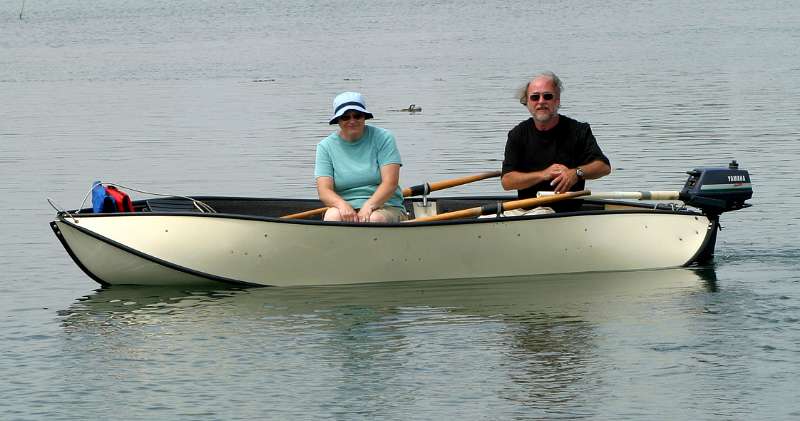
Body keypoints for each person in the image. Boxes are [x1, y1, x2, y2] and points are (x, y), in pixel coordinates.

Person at [501, 71, 611, 212]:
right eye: (535, 97)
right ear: (527, 103)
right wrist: (543, 174)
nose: (541, 101)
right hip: (526, 214)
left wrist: (576, 173)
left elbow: (603, 167)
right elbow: (507, 181)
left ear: (557, 100)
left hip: (567, 215)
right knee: (485, 220)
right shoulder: (517, 134)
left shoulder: (579, 130)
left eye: (547, 96)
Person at [314, 91, 408, 223]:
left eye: (357, 116)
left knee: (374, 219)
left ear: (364, 117)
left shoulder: (384, 138)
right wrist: (342, 205)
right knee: (332, 216)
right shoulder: (325, 146)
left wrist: (369, 206)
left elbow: (390, 183)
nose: (352, 121)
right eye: (345, 117)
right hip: (344, 207)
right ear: (338, 120)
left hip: (385, 206)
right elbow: (324, 191)